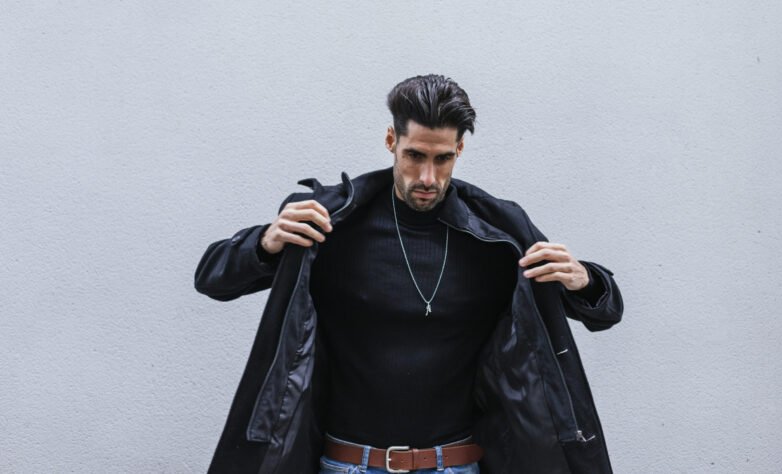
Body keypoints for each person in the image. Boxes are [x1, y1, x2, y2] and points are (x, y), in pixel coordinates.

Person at [194, 74, 624, 474]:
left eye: (442, 159)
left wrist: (583, 278)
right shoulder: (332, 223)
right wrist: (265, 243)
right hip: (347, 464)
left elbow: (604, 311)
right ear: (390, 141)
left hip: (455, 464)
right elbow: (212, 278)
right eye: (414, 155)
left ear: (460, 151)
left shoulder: (499, 232)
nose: (427, 177)